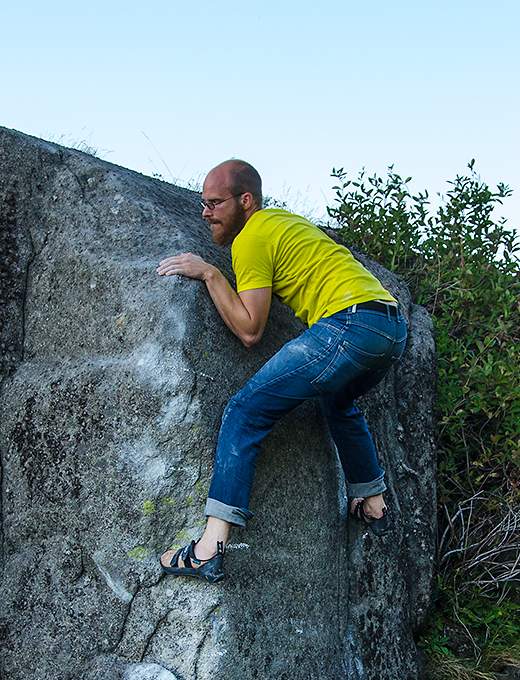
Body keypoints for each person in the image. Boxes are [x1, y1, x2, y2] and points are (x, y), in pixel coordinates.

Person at [156, 159, 407, 582]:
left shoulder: (251, 236)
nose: (205, 212)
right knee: (338, 400)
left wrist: (211, 274)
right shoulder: (285, 224)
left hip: (349, 325)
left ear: (246, 200)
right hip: (391, 327)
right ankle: (373, 500)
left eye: (215, 203)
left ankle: (209, 547)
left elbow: (251, 329)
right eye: (203, 203)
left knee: (244, 412)